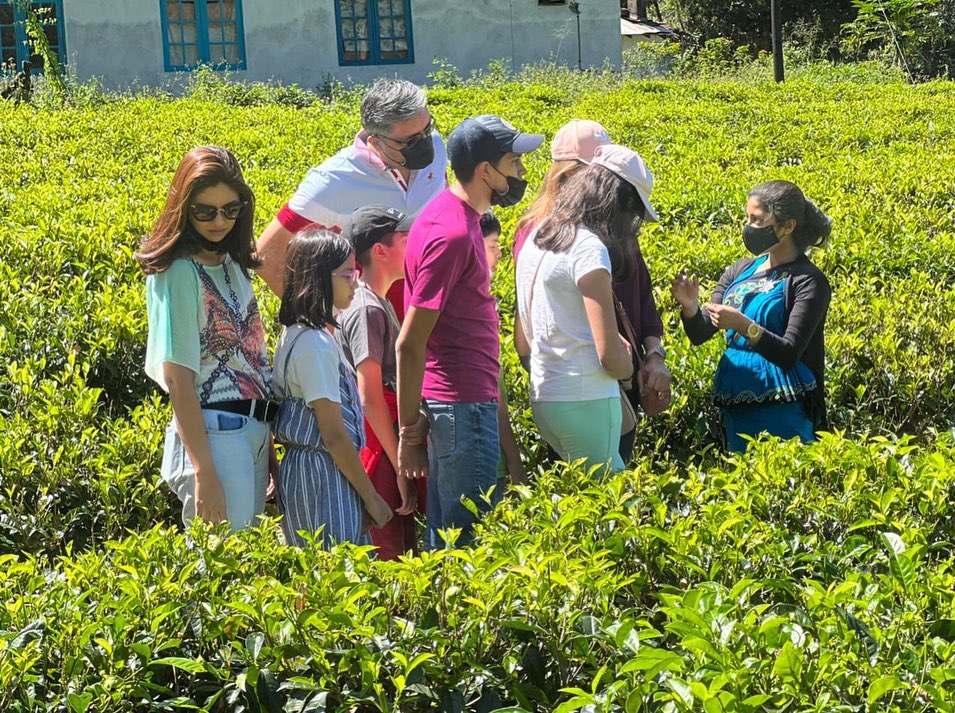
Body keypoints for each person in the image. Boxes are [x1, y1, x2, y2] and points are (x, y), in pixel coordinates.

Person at [397, 115, 543, 549]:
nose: (520, 173)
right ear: (486, 172)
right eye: (513, 163)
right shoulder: (454, 234)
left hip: (459, 404)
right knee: (468, 549)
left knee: (449, 544)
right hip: (462, 406)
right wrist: (408, 433)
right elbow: (409, 341)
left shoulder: (446, 217)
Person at [514, 120, 670, 463]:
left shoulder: (538, 236)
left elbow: (522, 340)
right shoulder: (588, 247)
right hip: (588, 393)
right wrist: (632, 370)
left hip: (548, 394)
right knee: (615, 508)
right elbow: (608, 355)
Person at [138, 146, 275, 532]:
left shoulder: (232, 263)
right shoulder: (179, 272)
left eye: (230, 210)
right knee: (225, 567)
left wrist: (267, 447)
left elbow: (251, 363)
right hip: (214, 435)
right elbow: (179, 380)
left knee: (246, 566)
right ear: (183, 208)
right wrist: (204, 473)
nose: (219, 221)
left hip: (253, 429)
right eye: (205, 211)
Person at [255, 77, 447, 313]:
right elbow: (266, 255)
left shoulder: (437, 147)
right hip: (367, 337)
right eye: (410, 141)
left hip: (432, 318)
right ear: (376, 141)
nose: (425, 142)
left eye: (427, 128)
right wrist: (320, 322)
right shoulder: (333, 180)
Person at [671, 180, 833, 452]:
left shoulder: (808, 281)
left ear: (787, 226)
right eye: (747, 218)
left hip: (785, 402)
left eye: (756, 220)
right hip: (736, 400)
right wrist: (690, 308)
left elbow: (789, 352)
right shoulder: (739, 271)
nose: (747, 227)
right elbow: (701, 333)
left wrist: (744, 325)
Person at [271, 228, 393, 548]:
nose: (355, 282)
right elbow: (334, 436)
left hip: (318, 470)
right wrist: (372, 498)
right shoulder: (314, 344)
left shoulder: (302, 334)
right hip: (321, 474)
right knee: (332, 572)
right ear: (320, 278)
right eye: (347, 274)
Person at [336, 205, 424, 560]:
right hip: (376, 447)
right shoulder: (366, 308)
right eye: (407, 241)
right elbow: (369, 395)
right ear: (380, 250)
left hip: (381, 441)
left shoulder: (377, 301)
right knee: (389, 556)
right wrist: (401, 464)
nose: (415, 249)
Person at [479, 210, 527, 488]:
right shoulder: (479, 308)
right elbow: (493, 395)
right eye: (493, 245)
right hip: (488, 454)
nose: (498, 255)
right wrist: (514, 461)